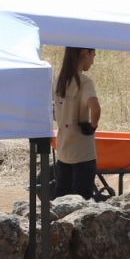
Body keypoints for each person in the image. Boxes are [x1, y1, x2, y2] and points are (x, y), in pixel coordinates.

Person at [53, 47, 100, 200]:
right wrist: (93, 126)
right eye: (93, 55)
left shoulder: (59, 81)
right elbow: (95, 108)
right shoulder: (84, 82)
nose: (93, 61)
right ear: (85, 52)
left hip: (63, 150)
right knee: (83, 200)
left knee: (61, 198)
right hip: (83, 152)